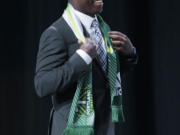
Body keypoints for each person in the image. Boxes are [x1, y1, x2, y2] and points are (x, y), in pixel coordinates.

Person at [34, 0, 137, 135]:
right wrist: (82, 57)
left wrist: (129, 54)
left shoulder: (103, 28)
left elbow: (104, 78)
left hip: (104, 128)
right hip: (71, 129)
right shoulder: (57, 33)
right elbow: (42, 85)